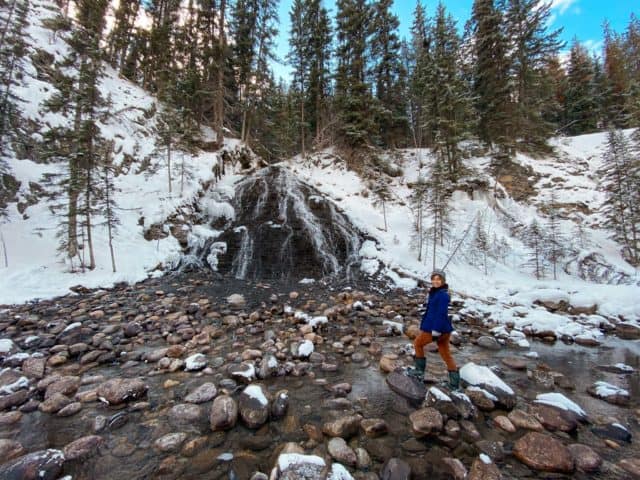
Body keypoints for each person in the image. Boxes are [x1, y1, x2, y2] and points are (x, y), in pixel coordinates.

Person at [407, 269, 460, 389]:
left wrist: (436, 330)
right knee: (446, 354)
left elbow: (441, 313)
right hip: (445, 329)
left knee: (418, 344)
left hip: (435, 327)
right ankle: (454, 384)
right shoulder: (438, 292)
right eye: (434, 279)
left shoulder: (442, 295)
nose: (435, 281)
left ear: (443, 281)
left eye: (438, 279)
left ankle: (419, 373)